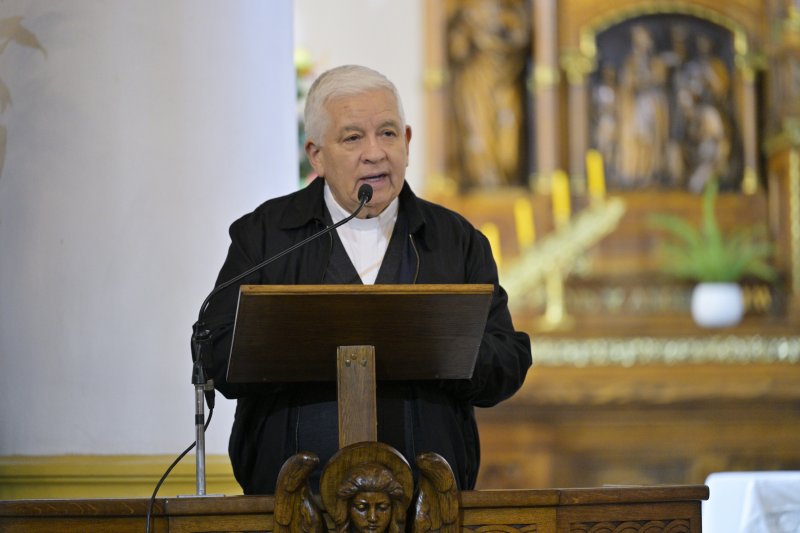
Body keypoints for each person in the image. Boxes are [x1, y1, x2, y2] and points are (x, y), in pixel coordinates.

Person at [198, 64, 532, 495]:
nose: (375, 153)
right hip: (293, 502)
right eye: (353, 138)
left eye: (388, 133)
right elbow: (215, 351)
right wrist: (304, 339)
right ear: (316, 154)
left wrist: (438, 345)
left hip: (427, 502)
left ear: (407, 142)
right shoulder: (266, 235)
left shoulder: (456, 240)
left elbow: (507, 362)